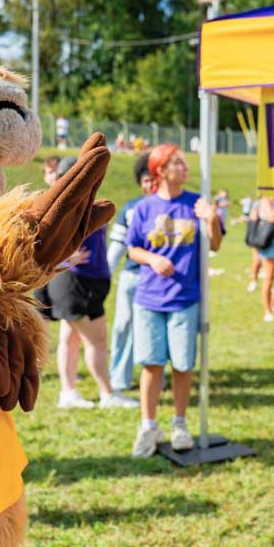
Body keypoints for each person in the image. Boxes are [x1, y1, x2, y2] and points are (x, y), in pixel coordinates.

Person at [126, 144, 223, 456]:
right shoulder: (144, 208)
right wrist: (152, 259)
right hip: (149, 299)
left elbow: (217, 245)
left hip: (185, 298)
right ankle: (148, 425)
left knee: (183, 364)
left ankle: (180, 423)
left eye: (184, 162)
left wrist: (211, 219)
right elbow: (132, 249)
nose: (186, 167)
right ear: (160, 171)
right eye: (177, 163)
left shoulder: (196, 204)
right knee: (152, 365)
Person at [39, 157, 139, 410]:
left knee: (70, 338)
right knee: (97, 341)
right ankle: (107, 393)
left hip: (81, 282)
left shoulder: (78, 203)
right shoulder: (66, 206)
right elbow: (41, 239)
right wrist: (63, 257)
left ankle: (68, 393)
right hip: (76, 283)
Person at [106, 152, 157, 393]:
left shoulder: (171, 207)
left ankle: (158, 377)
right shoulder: (131, 208)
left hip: (159, 280)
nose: (150, 185)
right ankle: (119, 377)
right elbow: (116, 248)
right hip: (133, 276)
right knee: (123, 326)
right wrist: (106, 275)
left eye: (154, 179)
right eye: (146, 180)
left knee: (155, 330)